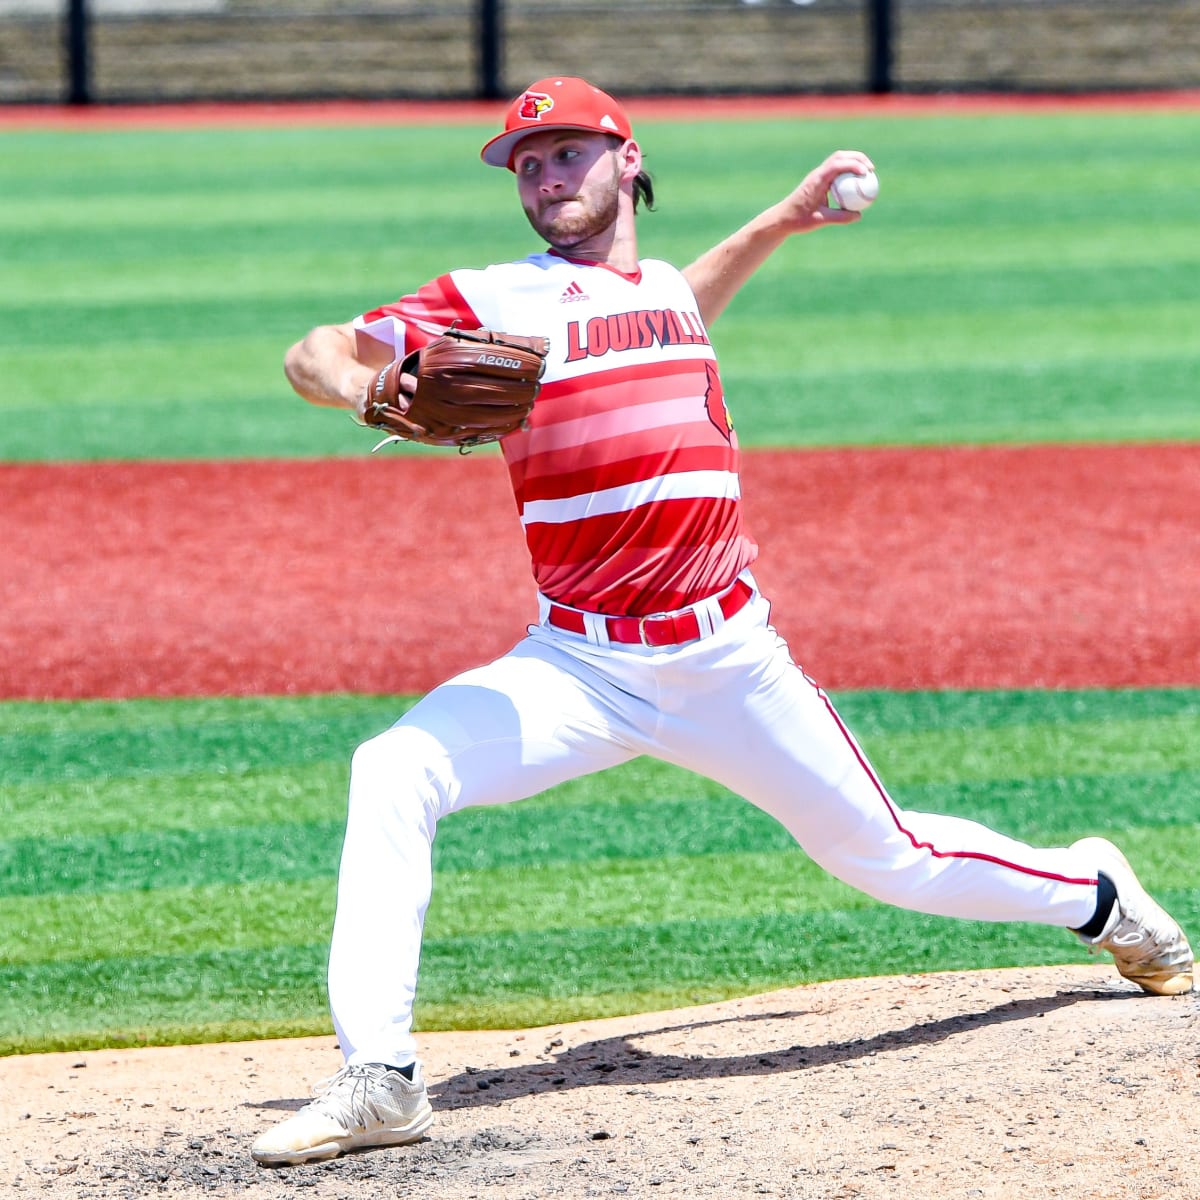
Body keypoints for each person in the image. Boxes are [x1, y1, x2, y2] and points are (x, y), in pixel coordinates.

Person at [250, 76, 1193, 1167]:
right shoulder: (496, 295)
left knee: (893, 860)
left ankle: (1097, 892)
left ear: (628, 159)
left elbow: (678, 305)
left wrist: (784, 220)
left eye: (565, 153)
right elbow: (312, 350)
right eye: (526, 163)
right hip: (578, 667)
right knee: (394, 768)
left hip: (730, 662)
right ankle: (382, 1079)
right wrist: (365, 391)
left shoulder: (660, 293)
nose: (544, 176)